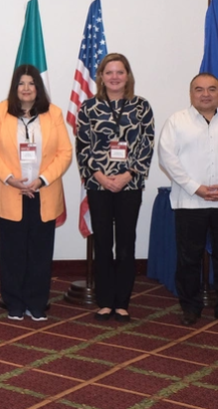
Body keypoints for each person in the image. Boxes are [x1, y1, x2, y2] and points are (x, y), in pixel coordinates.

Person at [0, 64, 72, 321]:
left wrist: (42, 180)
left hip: (43, 192)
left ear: (38, 88)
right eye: (21, 83)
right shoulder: (0, 111)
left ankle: (36, 302)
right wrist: (11, 179)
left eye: (31, 84)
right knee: (11, 251)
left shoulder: (53, 113)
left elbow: (65, 153)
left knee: (40, 251)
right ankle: (13, 301)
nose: (26, 88)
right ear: (15, 87)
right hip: (10, 191)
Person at [76, 53, 154, 323]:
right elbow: (83, 146)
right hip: (98, 185)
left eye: (120, 72)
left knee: (125, 244)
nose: (114, 77)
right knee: (103, 243)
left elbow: (147, 144)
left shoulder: (141, 107)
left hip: (129, 185)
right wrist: (99, 175)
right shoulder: (89, 108)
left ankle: (122, 302)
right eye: (109, 72)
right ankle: (105, 301)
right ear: (100, 77)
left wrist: (127, 174)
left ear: (128, 76)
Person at [158, 72, 218, 326]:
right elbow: (167, 158)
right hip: (189, 202)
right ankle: (191, 307)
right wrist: (196, 188)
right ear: (190, 93)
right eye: (199, 89)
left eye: (212, 89)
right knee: (189, 258)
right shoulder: (177, 121)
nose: (205, 94)